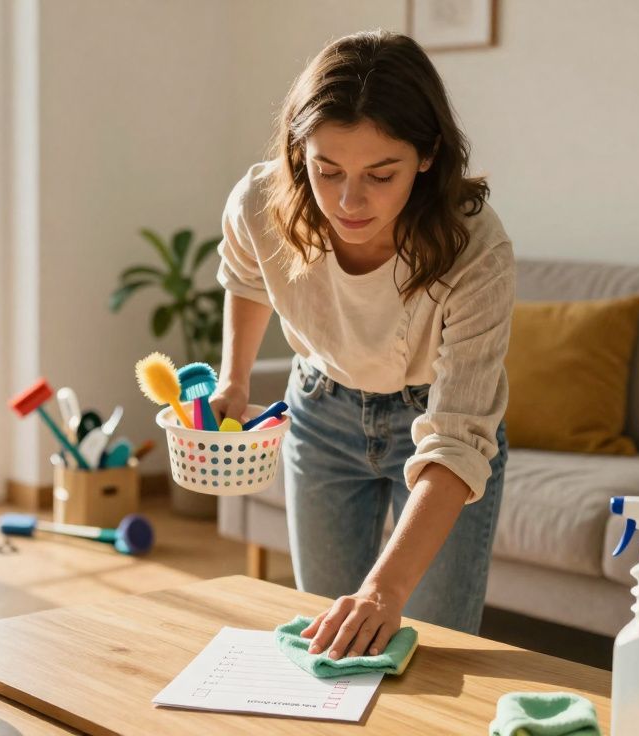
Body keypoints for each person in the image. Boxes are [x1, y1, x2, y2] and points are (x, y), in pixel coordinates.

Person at [210, 29, 514, 661]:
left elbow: (458, 440)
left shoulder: (474, 247)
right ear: (300, 153)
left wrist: (384, 589)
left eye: (380, 174)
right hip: (319, 413)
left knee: (430, 649)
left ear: (427, 155)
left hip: (436, 426)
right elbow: (246, 276)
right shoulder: (262, 201)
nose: (349, 201)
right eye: (327, 170)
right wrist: (233, 380)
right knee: (327, 645)